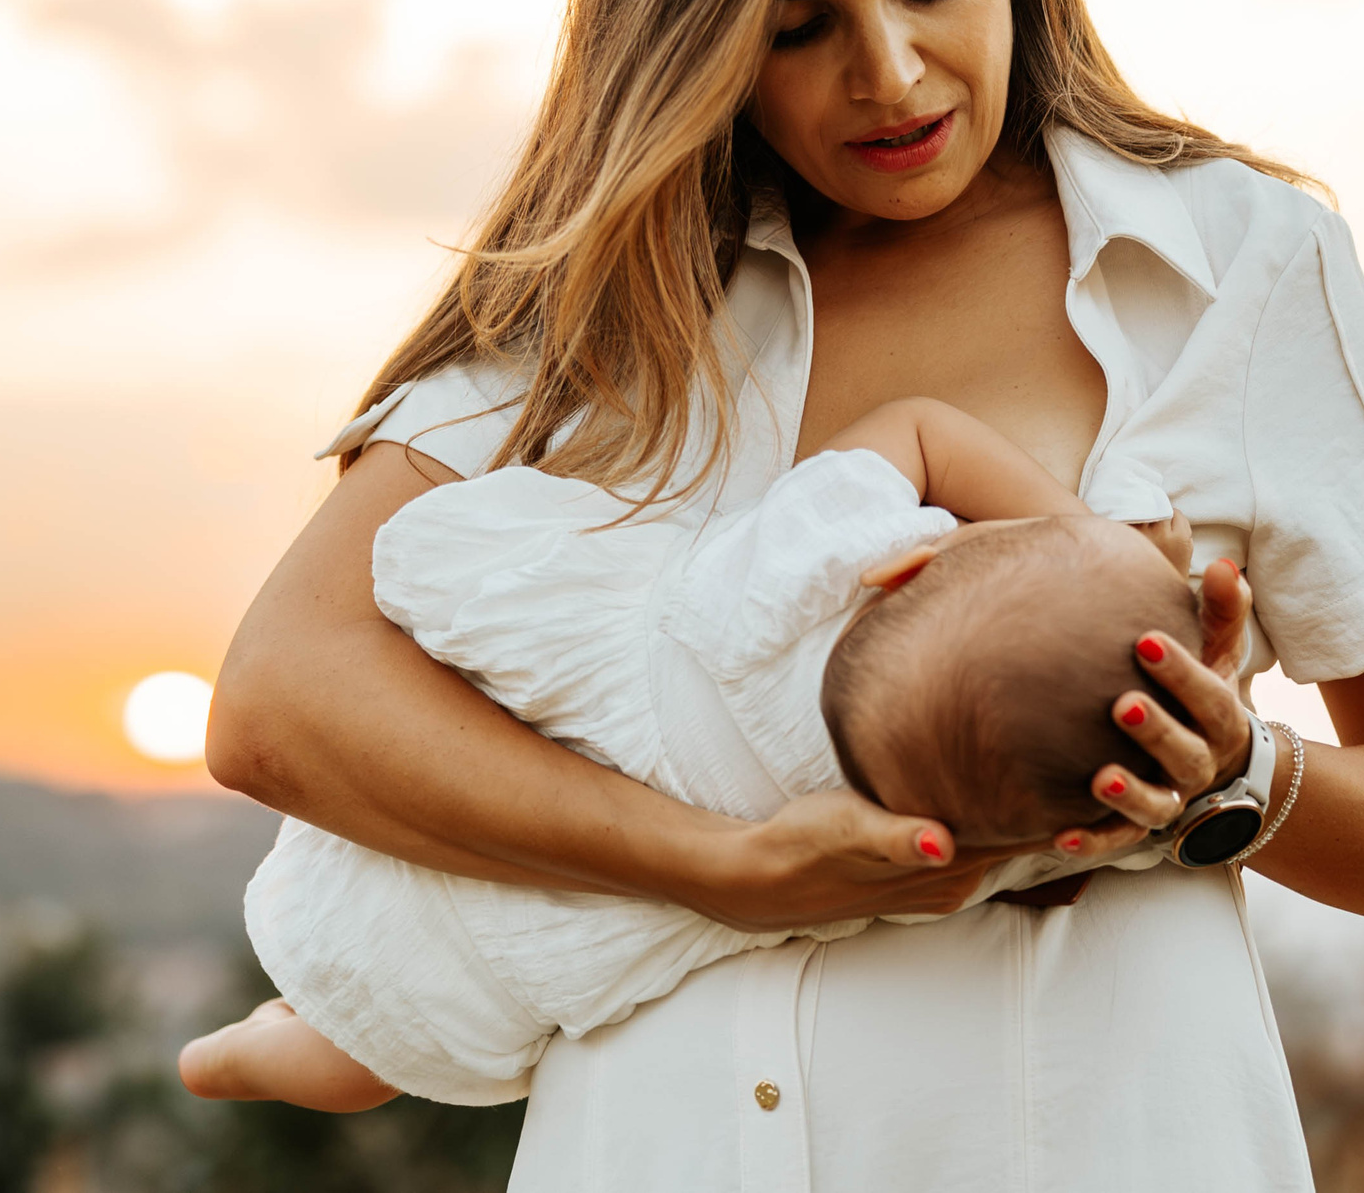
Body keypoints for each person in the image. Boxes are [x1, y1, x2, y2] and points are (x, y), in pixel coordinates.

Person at [208, 0, 1364, 1192]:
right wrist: (716, 867)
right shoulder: (596, 306)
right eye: (795, 25)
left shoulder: (1236, 261)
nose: (890, 73)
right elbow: (276, 697)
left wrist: (1236, 776)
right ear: (694, 34)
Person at [185, 395, 1215, 1113]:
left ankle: (212, 1055)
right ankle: (226, 1058)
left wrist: (1086, 534)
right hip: (503, 958)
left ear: (907, 561)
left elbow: (923, 429)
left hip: (493, 790)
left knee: (330, 1013)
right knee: (352, 1059)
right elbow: (1087, 841)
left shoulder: (801, 575)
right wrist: (1188, 688)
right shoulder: (913, 839)